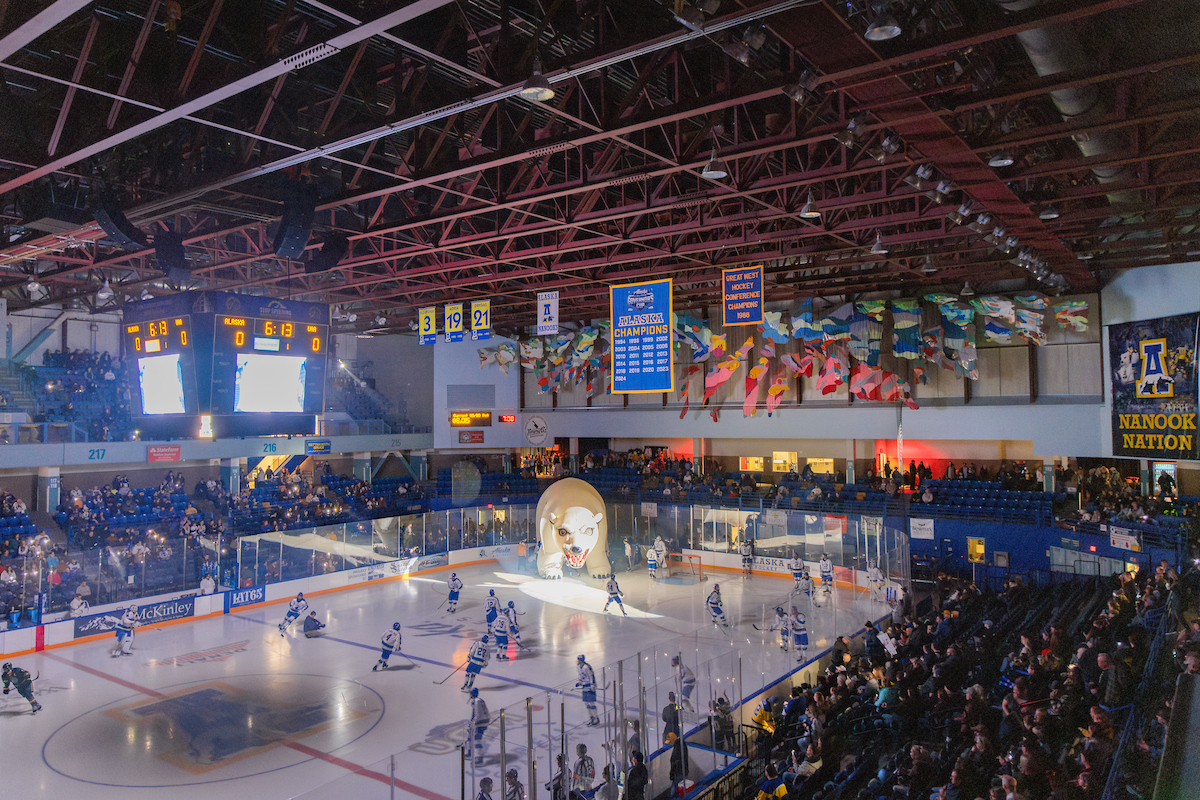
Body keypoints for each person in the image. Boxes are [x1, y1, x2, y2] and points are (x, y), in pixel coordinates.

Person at [576, 654, 600, 726]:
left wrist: (592, 685)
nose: (577, 661)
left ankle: (596, 718)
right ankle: (591, 718)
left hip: (589, 686)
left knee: (591, 703)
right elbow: (581, 676)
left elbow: (591, 676)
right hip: (584, 686)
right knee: (586, 703)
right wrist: (579, 682)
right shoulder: (578, 667)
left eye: (578, 660)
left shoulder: (587, 667)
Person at [469, 687, 490, 766]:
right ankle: (476, 755)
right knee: (477, 738)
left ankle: (479, 758)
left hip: (480, 722)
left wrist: (473, 722)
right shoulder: (481, 700)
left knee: (477, 739)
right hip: (485, 720)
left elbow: (477, 714)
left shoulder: (476, 701)